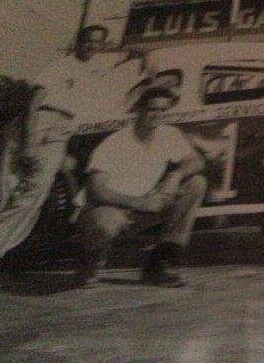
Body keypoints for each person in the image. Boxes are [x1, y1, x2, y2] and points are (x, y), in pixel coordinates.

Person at [0, 25, 142, 293]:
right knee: (6, 190)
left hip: (60, 131)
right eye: (89, 42)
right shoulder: (60, 66)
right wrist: (30, 144)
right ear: (78, 42)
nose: (93, 47)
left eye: (99, 44)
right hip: (36, 124)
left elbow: (130, 56)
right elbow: (33, 105)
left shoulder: (97, 68)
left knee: (29, 197)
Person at [77, 85, 207, 288]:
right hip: (108, 207)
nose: (157, 115)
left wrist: (176, 174)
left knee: (196, 183)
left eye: (163, 111)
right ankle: (91, 262)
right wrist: (138, 203)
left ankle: (162, 263)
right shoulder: (115, 142)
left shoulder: (169, 134)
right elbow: (97, 190)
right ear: (138, 110)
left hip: (145, 205)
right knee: (103, 225)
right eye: (152, 109)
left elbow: (197, 161)